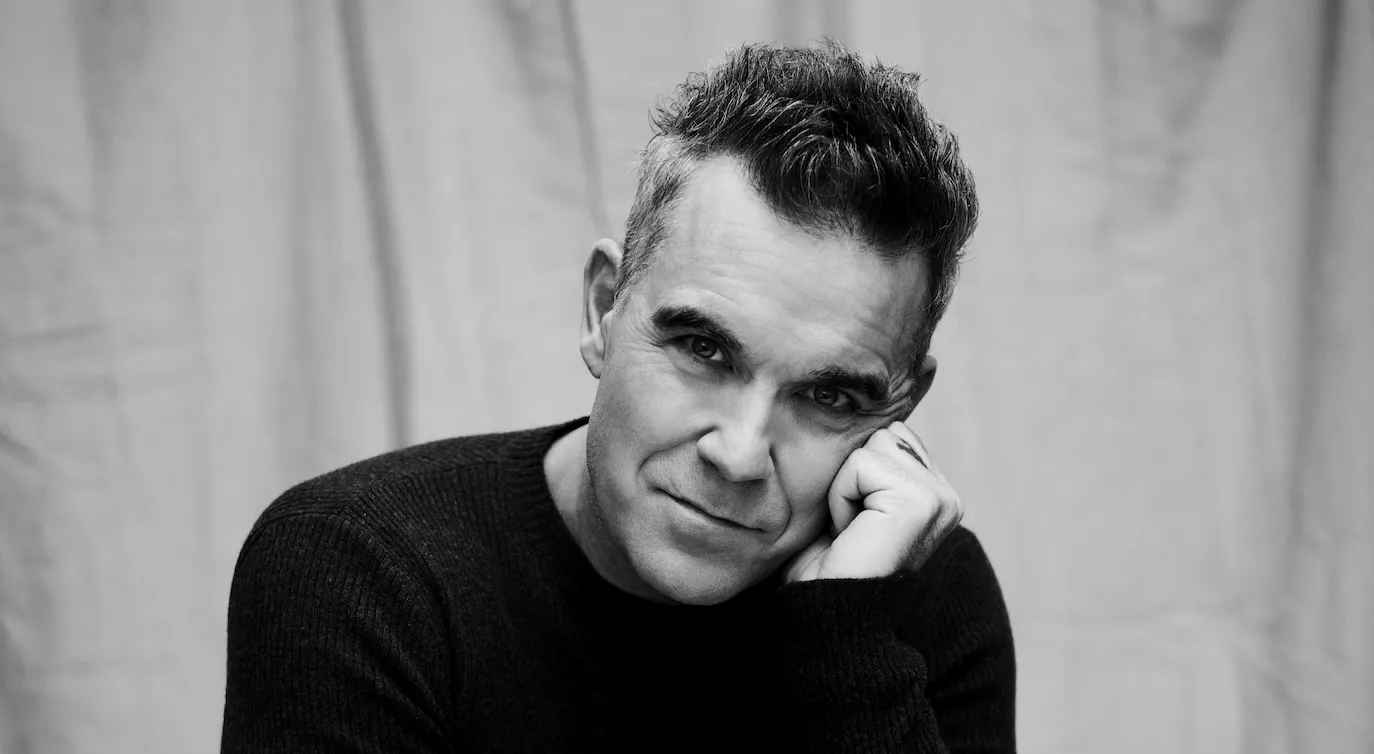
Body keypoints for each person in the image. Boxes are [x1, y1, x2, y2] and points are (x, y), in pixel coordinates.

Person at [221, 40, 1015, 753]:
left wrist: (848, 645)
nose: (739, 454)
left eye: (830, 396)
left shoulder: (920, 597)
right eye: (703, 349)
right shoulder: (362, 569)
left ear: (901, 406)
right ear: (604, 309)